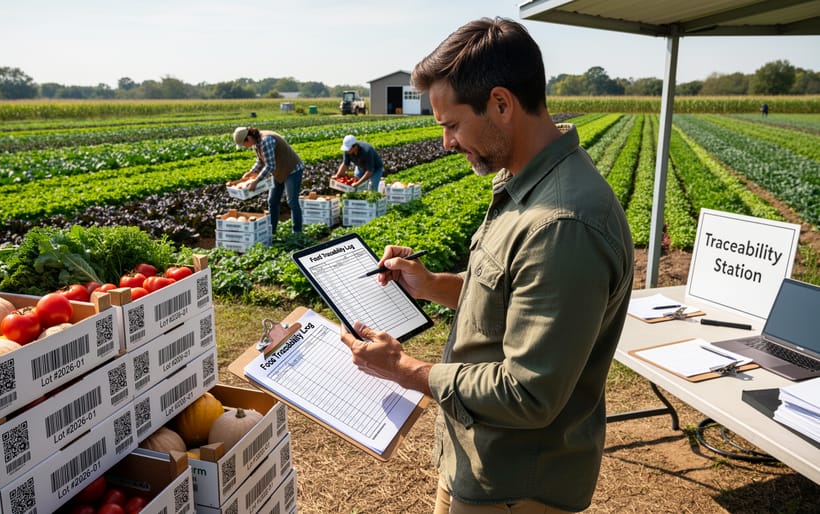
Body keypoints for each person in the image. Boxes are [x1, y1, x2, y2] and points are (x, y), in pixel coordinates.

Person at [339, 17, 634, 513]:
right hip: (482, 461)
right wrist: (431, 284)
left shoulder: (561, 223)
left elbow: (528, 392)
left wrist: (407, 370)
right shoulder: (528, 185)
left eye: (452, 125)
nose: (447, 143)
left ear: (501, 104)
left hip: (515, 486)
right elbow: (510, 299)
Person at [233, 126, 303, 233]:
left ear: (249, 138)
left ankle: (297, 232)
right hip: (278, 171)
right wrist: (252, 172)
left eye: (244, 144)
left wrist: (256, 181)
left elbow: (270, 166)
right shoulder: (256, 143)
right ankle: (271, 231)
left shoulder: (266, 140)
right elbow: (261, 161)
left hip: (292, 170)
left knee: (292, 202)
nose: (244, 146)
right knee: (272, 201)